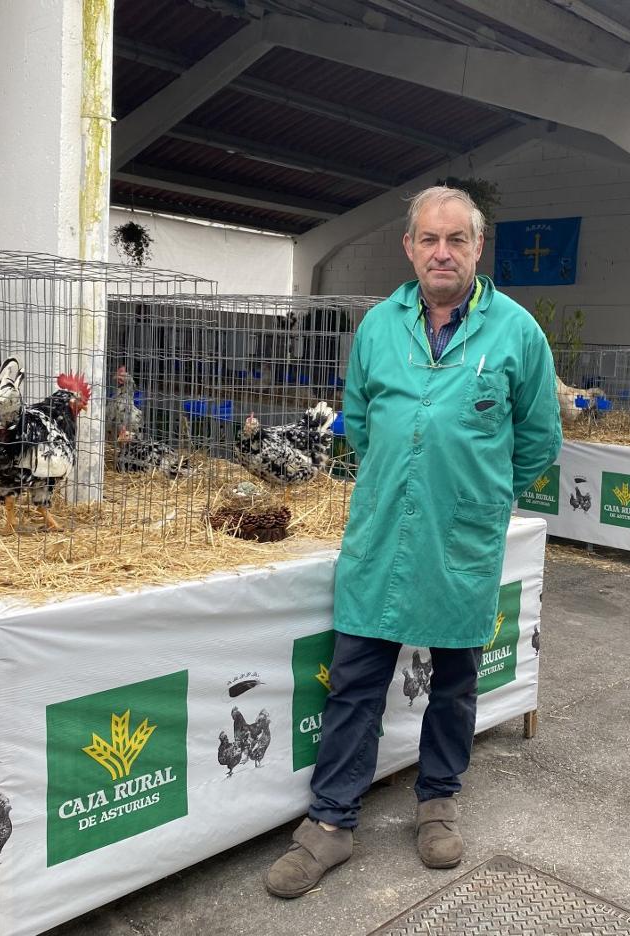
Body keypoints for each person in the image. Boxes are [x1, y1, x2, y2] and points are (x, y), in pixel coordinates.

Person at [264, 186, 562, 898]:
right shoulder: (377, 329)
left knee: (456, 683)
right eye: (429, 240)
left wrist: (479, 499)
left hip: (462, 539)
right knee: (357, 681)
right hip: (382, 530)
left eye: (456, 240)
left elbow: (539, 440)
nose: (442, 252)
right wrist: (403, 479)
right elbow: (361, 422)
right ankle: (331, 824)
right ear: (409, 247)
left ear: (477, 248)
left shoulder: (517, 332)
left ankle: (437, 803)